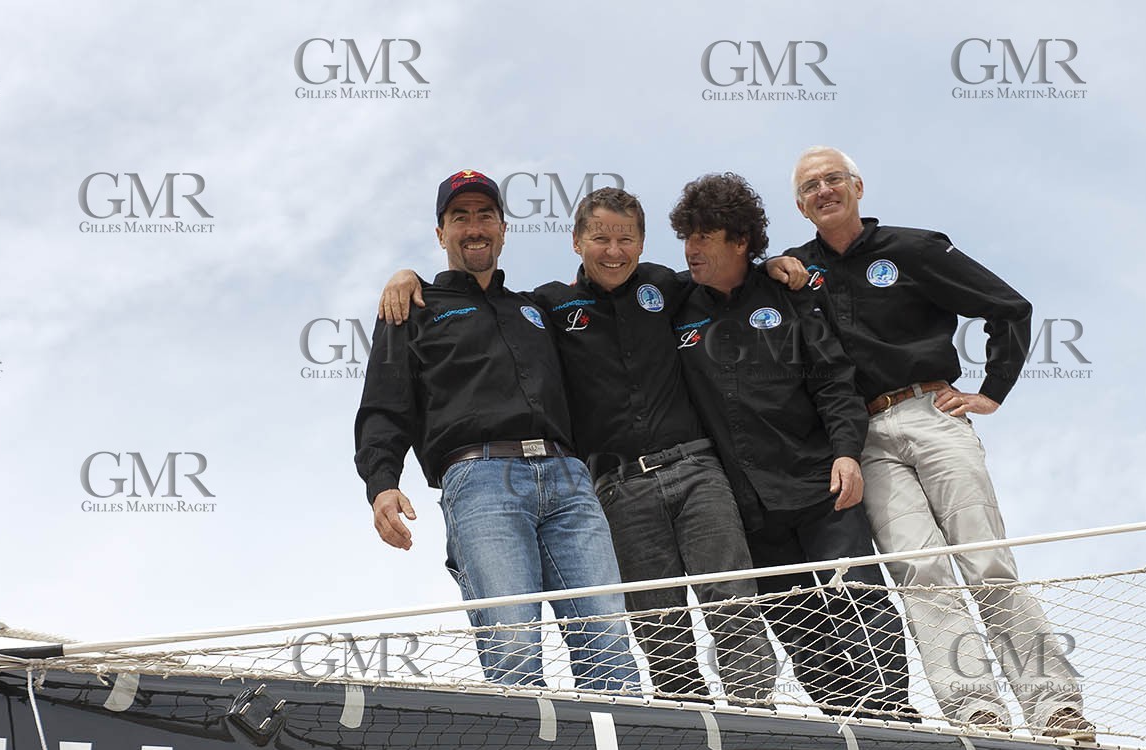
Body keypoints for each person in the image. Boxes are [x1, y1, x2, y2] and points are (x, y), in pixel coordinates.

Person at [378, 188, 811, 706]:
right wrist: (406, 276)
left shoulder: (660, 289)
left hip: (681, 469)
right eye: (600, 237)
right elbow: (417, 371)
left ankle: (755, 714)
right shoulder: (545, 305)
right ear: (577, 241)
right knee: (653, 624)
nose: (613, 250)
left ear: (643, 243)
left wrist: (776, 265)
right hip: (608, 486)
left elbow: (726, 277)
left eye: (625, 239)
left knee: (724, 604)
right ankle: (686, 730)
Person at [784, 145, 1094, 739]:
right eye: (810, 187)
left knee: (986, 560)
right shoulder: (797, 270)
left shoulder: (914, 248)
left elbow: (1008, 307)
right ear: (800, 205)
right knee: (921, 573)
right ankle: (976, 710)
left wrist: (992, 390)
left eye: (833, 179)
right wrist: (779, 271)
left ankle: (1054, 705)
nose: (823, 191)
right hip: (863, 436)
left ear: (858, 186)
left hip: (932, 411)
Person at [353, 169, 637, 691]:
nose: (474, 226)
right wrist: (381, 483)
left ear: (504, 229)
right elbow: (383, 404)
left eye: (486, 215)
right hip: (480, 478)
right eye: (459, 217)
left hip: (570, 479)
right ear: (441, 234)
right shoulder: (413, 308)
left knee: (608, 638)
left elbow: (614, 286)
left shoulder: (539, 307)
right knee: (513, 645)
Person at [667, 172, 909, 716]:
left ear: (741, 242)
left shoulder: (788, 290)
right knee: (798, 626)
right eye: (687, 236)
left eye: (704, 237)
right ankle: (847, 723)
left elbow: (833, 380)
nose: (691, 249)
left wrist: (848, 451)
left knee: (861, 602)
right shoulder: (676, 302)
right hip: (749, 505)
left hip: (822, 483)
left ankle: (896, 713)